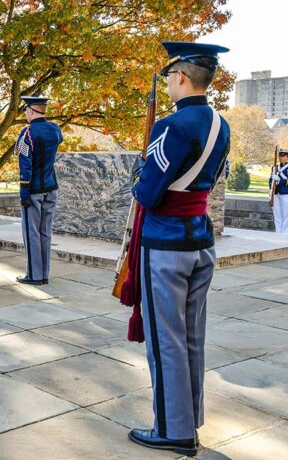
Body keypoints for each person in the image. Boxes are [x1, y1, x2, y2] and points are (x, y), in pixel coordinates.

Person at [129, 42, 231, 457]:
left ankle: (174, 431)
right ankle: (188, 420)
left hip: (166, 243)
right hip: (200, 240)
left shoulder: (171, 126)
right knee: (191, 337)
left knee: (165, 340)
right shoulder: (221, 124)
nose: (168, 83)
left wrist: (138, 174)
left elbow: (149, 191)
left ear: (181, 77)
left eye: (170, 76)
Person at [15, 96, 63, 285]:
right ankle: (44, 274)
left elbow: (25, 166)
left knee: (31, 233)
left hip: (33, 190)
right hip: (51, 187)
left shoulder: (26, 134)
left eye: (26, 110)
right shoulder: (55, 129)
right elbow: (58, 140)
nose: (25, 114)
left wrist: (24, 193)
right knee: (45, 232)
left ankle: (34, 275)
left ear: (32, 111)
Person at [271, 149, 288, 233]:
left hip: (285, 193)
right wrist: (272, 182)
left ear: (287, 157)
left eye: (282, 156)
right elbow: (270, 181)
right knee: (277, 214)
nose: (280, 158)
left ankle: (285, 232)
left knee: (286, 214)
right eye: (279, 156)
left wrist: (279, 181)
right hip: (276, 193)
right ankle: (278, 231)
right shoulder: (275, 167)